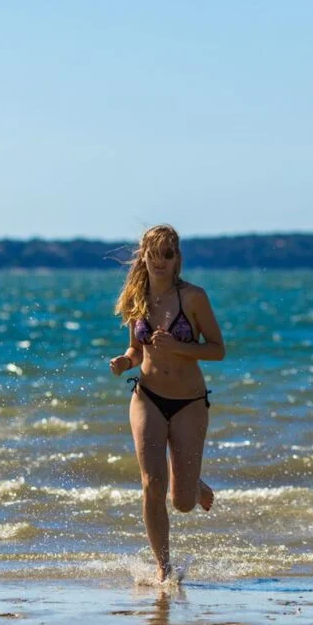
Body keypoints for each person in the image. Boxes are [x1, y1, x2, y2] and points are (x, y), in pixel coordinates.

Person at [109, 225, 226, 582]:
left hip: (189, 402)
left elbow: (217, 350)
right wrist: (125, 361)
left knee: (183, 502)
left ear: (177, 259)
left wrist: (178, 347)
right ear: (143, 256)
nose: (160, 261)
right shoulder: (137, 297)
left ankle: (193, 485)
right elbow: (136, 348)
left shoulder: (193, 298)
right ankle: (164, 567)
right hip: (147, 397)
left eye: (167, 254)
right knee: (152, 483)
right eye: (153, 253)